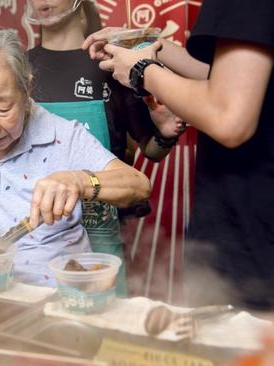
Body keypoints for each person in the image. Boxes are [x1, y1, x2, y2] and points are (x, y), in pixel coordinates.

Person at [0, 28, 151, 286]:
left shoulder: (63, 135)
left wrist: (80, 181)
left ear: (26, 89)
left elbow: (139, 186)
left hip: (59, 296)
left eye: (3, 108)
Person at [82, 0, 274, 309]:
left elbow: (229, 116)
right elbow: (231, 79)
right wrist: (148, 44)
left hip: (252, 237)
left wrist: (142, 71)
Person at [24, 0, 185, 295]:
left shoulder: (113, 62)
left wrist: (165, 133)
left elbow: (150, 149)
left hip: (104, 235)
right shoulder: (19, 68)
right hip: (33, 233)